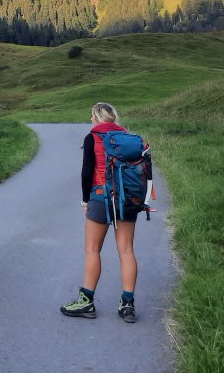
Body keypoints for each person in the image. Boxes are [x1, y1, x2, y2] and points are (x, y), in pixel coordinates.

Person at [60, 101, 152, 323]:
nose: (90, 120)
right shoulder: (128, 138)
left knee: (93, 249)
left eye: (91, 116)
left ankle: (86, 302)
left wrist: (85, 201)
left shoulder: (92, 137)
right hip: (128, 198)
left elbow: (86, 172)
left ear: (96, 117)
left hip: (100, 197)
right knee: (127, 250)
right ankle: (127, 305)